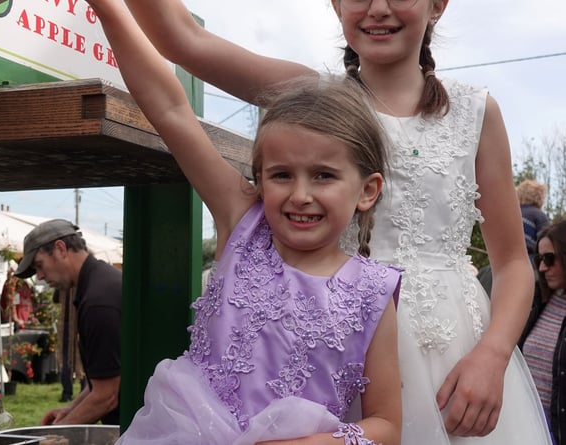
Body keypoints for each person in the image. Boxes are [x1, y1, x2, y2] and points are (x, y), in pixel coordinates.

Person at [118, 0, 552, 443]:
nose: (377, 9)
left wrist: (493, 356)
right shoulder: (313, 101)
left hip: (456, 358)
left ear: (437, 4)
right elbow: (181, 42)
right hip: (323, 354)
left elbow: (513, 264)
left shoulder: (476, 111)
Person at [88, 2, 404, 444]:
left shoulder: (375, 291)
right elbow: (170, 108)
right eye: (281, 175)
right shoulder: (243, 221)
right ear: (259, 178)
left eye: (324, 176)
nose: (300, 195)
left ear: (367, 190)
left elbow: (387, 425)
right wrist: (107, 7)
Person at [14, 219, 122, 425]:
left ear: (61, 249)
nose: (39, 276)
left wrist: (55, 436)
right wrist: (69, 411)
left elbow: (107, 397)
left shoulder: (98, 302)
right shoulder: (97, 282)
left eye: (39, 265)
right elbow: (103, 378)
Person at [519, 220, 566, 444]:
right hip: (526, 428)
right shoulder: (538, 301)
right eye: (539, 259)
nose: (542, 268)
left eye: (549, 259)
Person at [517, 179, 550, 256]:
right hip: (530, 257)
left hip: (509, 257)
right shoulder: (540, 215)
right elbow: (546, 241)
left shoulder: (513, 213)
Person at [0, 260, 35, 329]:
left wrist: (31, 317)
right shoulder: (12, 283)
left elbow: (28, 302)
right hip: (16, 325)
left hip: (24, 323)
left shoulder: (25, 284)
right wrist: (16, 319)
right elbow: (11, 301)